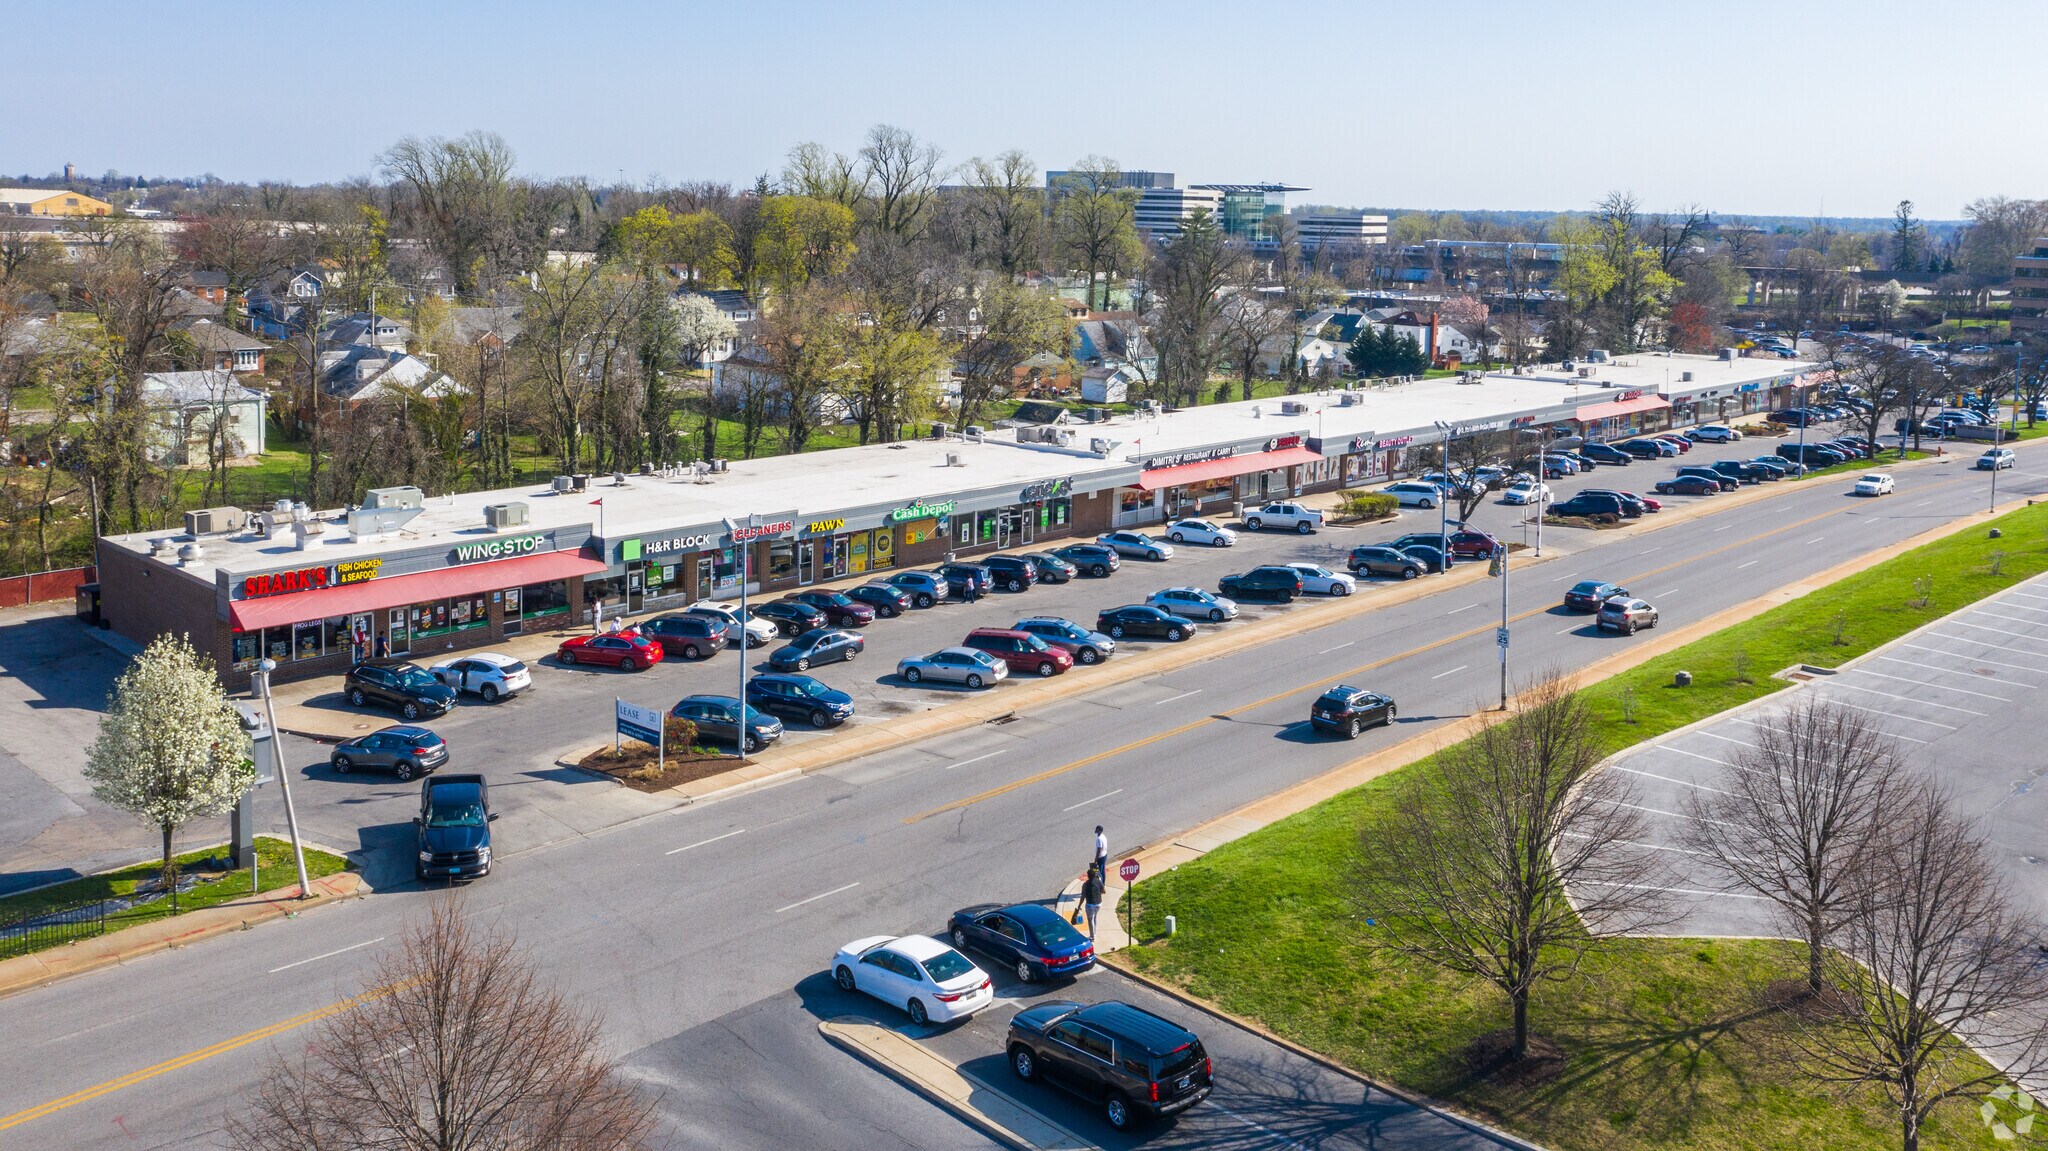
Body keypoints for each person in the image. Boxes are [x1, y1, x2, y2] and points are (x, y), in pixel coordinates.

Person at [1080, 866, 1105, 940]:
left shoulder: (1085, 884)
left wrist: (1079, 906)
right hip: (1099, 904)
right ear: (1094, 875)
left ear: (1088, 876)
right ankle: (1094, 933)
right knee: (1095, 917)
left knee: (1090, 919)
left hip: (1090, 905)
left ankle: (1092, 936)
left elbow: (1083, 897)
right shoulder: (1099, 881)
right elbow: (1104, 891)